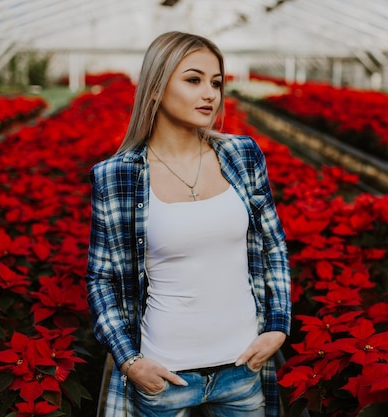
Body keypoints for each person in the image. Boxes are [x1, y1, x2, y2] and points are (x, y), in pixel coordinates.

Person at [85, 31, 291, 417]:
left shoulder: (242, 154)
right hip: (164, 377)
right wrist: (131, 363)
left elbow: (273, 244)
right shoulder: (116, 175)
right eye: (193, 80)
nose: (210, 94)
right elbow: (101, 278)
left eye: (216, 83)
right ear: (155, 89)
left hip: (243, 369)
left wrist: (278, 325)